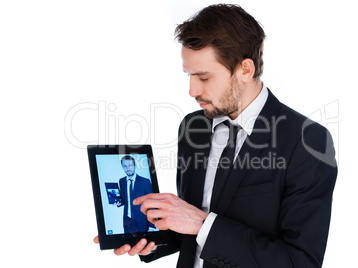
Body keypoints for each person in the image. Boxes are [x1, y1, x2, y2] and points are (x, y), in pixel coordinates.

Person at [94, 4, 337, 267]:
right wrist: (152, 237)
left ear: (245, 69)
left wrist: (201, 223)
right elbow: (192, 230)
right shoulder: (193, 127)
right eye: (189, 75)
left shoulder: (307, 142)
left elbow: (299, 262)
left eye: (204, 78)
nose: (192, 90)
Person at [116, 155, 155, 233]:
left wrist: (152, 225)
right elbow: (125, 200)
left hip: (142, 222)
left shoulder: (145, 182)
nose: (128, 168)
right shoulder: (122, 181)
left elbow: (152, 203)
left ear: (135, 166)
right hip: (127, 222)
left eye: (130, 165)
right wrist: (118, 202)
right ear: (122, 167)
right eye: (125, 166)